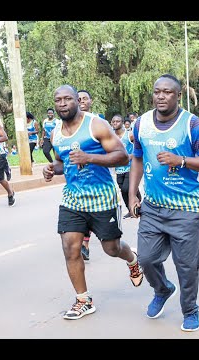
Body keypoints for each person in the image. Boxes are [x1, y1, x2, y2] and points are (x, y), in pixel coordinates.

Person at [43, 84, 144, 320]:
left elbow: (121, 156)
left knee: (111, 248)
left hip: (102, 197)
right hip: (73, 198)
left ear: (78, 101)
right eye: (58, 100)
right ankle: (83, 300)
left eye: (68, 99)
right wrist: (52, 170)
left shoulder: (95, 124)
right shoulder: (56, 132)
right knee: (70, 248)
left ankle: (132, 259)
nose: (63, 103)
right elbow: (61, 162)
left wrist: (89, 157)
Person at [128, 74, 199, 332]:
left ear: (178, 96)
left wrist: (181, 160)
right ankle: (163, 289)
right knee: (145, 258)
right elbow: (136, 158)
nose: (161, 96)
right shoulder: (142, 123)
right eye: (157, 91)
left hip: (186, 209)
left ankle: (190, 310)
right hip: (153, 207)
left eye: (167, 92)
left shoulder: (192, 123)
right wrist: (133, 195)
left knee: (186, 266)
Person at [110, 113, 142, 218]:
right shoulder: (111, 137)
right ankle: (130, 209)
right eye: (113, 122)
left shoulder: (129, 135)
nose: (115, 123)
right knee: (123, 191)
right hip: (118, 168)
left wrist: (132, 155)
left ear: (123, 123)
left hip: (130, 167)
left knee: (126, 188)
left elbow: (139, 146)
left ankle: (137, 195)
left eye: (117, 121)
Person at [77, 89, 95, 260]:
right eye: (79, 98)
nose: (81, 101)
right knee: (80, 211)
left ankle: (86, 243)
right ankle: (84, 244)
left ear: (90, 101)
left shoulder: (98, 122)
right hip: (76, 178)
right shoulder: (68, 123)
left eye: (85, 98)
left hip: (96, 178)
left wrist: (89, 157)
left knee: (112, 246)